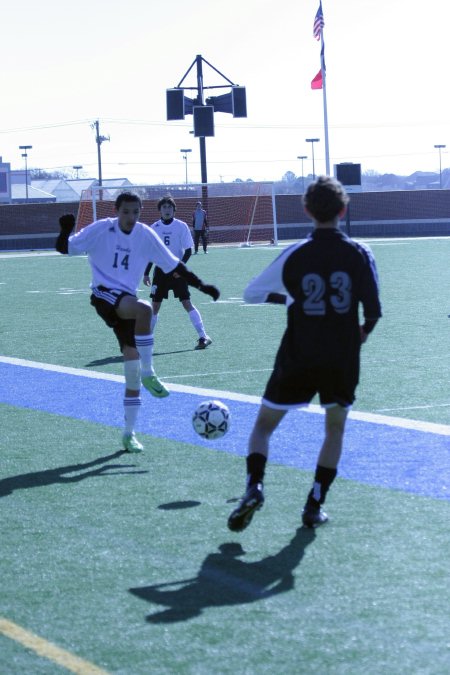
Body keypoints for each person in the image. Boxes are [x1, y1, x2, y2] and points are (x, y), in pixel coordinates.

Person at [227, 176, 382, 531]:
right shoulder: (360, 253)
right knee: (334, 429)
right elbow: (372, 312)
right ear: (343, 210)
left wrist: (290, 298)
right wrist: (362, 333)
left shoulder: (296, 253)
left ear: (307, 210)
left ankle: (255, 486)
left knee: (264, 426)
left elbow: (251, 293)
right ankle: (314, 504)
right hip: (342, 356)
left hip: (299, 352)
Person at [55, 191, 219, 453]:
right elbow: (67, 248)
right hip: (103, 295)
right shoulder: (102, 229)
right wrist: (65, 231)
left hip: (124, 301)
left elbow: (173, 264)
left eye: (135, 212)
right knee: (145, 309)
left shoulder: (145, 234)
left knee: (131, 376)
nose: (130, 217)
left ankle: (129, 434)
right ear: (117, 211)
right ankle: (150, 371)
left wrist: (202, 285)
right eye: (126, 212)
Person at [143, 195, 213, 350]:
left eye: (169, 207)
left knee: (186, 303)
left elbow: (188, 251)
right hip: (160, 272)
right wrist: (146, 273)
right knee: (155, 306)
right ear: (159, 210)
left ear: (174, 210)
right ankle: (146, 342)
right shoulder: (154, 228)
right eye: (164, 207)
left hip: (177, 271)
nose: (167, 210)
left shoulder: (181, 226)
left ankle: (203, 336)